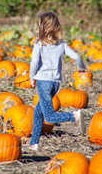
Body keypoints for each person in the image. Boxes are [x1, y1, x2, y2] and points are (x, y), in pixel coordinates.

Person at [28, 12, 87, 151]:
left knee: (49, 117)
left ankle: (74, 116)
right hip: (55, 84)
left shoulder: (38, 43)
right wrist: (81, 68)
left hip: (43, 82)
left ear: (41, 27)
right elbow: (77, 57)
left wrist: (32, 77)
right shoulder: (61, 44)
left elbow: (35, 62)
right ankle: (34, 144)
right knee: (38, 113)